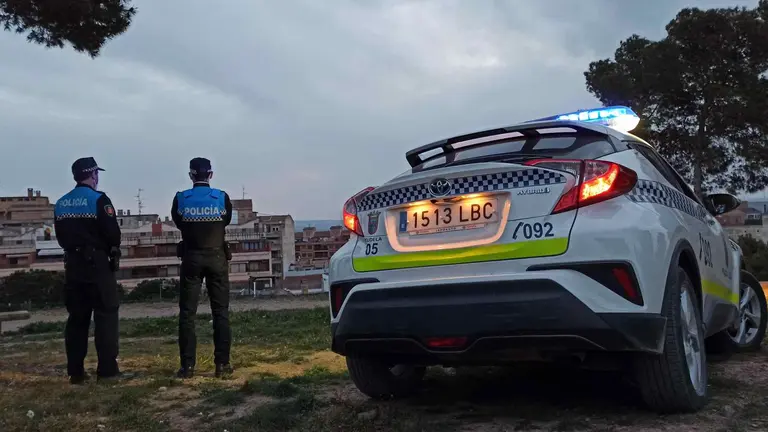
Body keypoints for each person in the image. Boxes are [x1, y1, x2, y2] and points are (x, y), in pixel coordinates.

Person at [54, 157, 123, 384]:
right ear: (93, 175)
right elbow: (113, 235)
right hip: (98, 266)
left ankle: (75, 372)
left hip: (73, 266)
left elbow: (61, 236)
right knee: (106, 316)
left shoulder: (61, 203)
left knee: (77, 319)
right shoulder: (99, 200)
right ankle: (107, 370)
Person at [171, 157, 234, 379]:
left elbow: (178, 222)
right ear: (210, 175)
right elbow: (226, 221)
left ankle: (187, 367)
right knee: (221, 312)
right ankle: (222, 364)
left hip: (191, 258)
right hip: (217, 256)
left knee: (187, 313)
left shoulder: (181, 199)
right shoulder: (221, 198)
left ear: (190, 175)